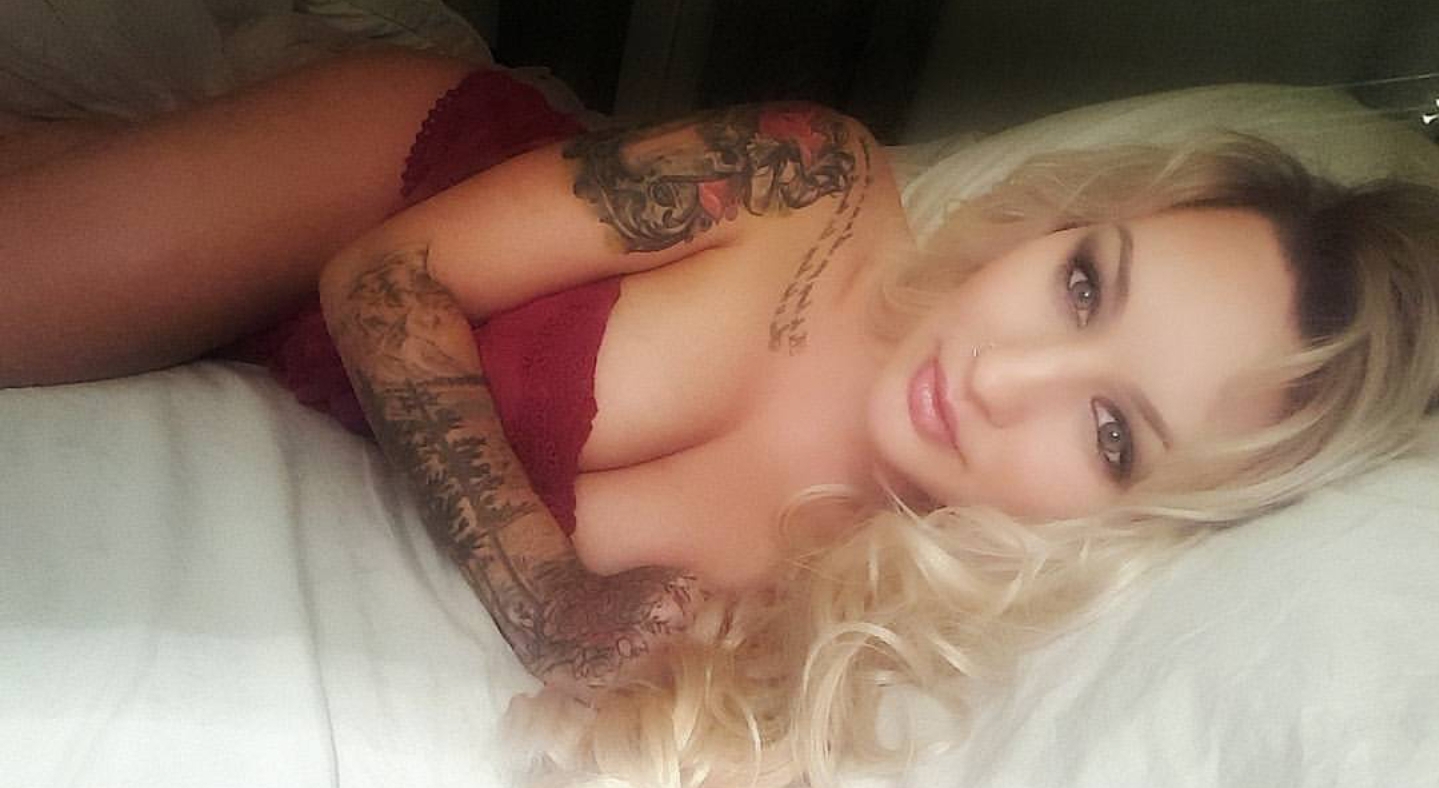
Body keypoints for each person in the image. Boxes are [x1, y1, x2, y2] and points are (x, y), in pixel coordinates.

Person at [5, 49, 1439, 786]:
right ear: (1072, 221)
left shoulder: (877, 603)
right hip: (374, 188)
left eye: (1114, 433)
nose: (1005, 378)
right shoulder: (813, 184)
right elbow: (388, 278)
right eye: (1083, 284)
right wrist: (545, 589)